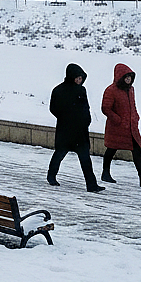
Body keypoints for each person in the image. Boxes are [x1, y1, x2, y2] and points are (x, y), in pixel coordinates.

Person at [46, 63, 103, 192]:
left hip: (79, 131)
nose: (79, 80)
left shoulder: (81, 90)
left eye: (81, 78)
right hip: (66, 130)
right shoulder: (58, 90)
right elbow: (53, 108)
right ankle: (51, 176)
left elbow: (85, 108)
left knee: (85, 159)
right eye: (77, 78)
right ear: (71, 77)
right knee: (59, 154)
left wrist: (86, 121)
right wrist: (66, 117)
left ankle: (91, 185)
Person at [101, 63, 141, 187]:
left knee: (137, 149)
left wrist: (136, 117)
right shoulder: (111, 90)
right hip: (117, 127)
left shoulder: (131, 89)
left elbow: (133, 105)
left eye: (130, 77)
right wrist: (117, 120)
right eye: (126, 77)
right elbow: (105, 108)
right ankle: (105, 173)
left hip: (130, 127)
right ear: (119, 77)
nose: (128, 80)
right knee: (111, 149)